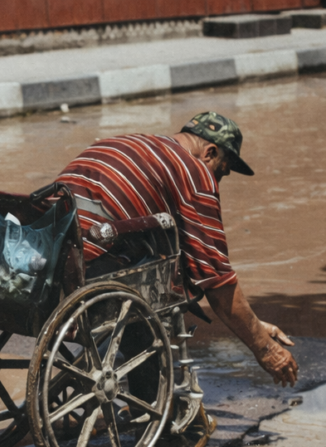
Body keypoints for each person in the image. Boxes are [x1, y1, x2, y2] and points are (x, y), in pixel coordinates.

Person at [57, 111, 299, 388]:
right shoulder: (194, 172)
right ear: (209, 152)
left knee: (154, 269)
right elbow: (217, 280)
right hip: (89, 265)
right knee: (149, 306)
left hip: (51, 255)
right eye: (222, 170)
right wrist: (266, 349)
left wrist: (254, 323)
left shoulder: (130, 143)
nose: (218, 180)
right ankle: (151, 412)